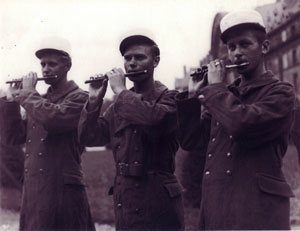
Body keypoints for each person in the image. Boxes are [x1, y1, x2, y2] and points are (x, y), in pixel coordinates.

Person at [176, 10, 295, 230]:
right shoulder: (225, 95)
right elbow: (194, 143)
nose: (237, 53)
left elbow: (242, 124)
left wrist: (215, 88)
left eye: (245, 44)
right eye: (231, 47)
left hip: (258, 211)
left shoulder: (281, 93)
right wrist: (193, 97)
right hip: (217, 207)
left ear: (265, 47)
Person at [78, 34, 184, 231]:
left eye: (139, 57)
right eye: (127, 59)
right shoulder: (118, 105)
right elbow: (89, 138)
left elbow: (153, 120)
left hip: (158, 200)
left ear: (156, 61)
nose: (132, 63)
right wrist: (93, 100)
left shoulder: (171, 98)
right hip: (125, 200)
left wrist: (120, 91)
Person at [0, 37, 95, 231]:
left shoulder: (80, 97)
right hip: (35, 191)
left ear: (67, 66)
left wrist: (27, 93)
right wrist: (10, 101)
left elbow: (54, 119)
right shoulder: (38, 101)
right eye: (42, 64)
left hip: (63, 191)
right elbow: (13, 138)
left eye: (52, 64)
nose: (45, 69)